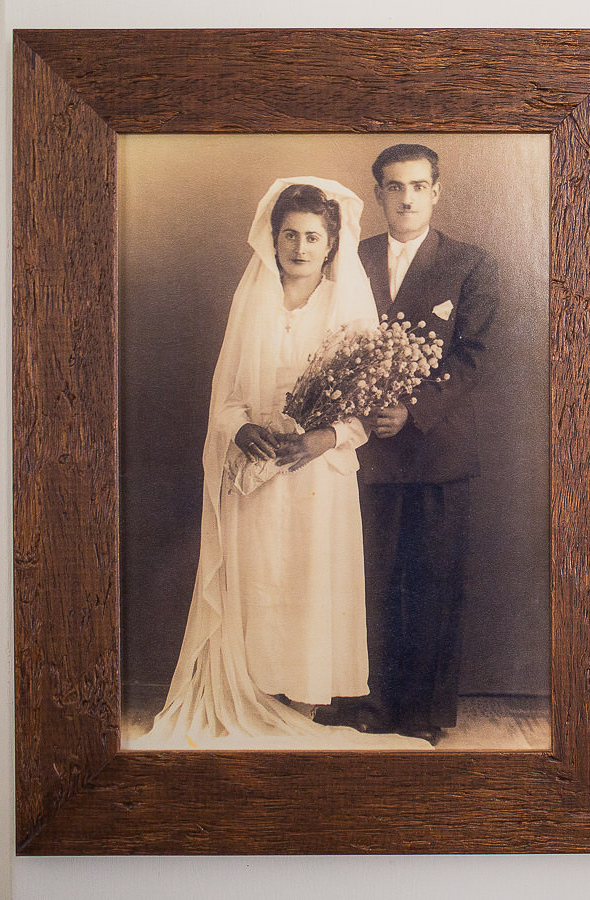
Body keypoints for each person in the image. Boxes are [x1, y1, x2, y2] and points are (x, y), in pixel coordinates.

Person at [135, 178, 382, 748]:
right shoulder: (254, 300)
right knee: (262, 582)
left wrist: (324, 438)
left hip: (317, 475)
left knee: (311, 582)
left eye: (312, 237)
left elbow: (368, 408)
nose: (300, 247)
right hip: (255, 471)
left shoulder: (348, 306)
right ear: (272, 240)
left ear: (331, 242)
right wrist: (242, 429)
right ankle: (255, 695)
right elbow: (227, 399)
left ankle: (306, 706)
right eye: (289, 235)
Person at [317, 144, 499, 745]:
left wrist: (413, 409)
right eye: (394, 187)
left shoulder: (471, 264)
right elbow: (331, 343)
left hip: (436, 453)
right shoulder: (352, 258)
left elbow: (473, 356)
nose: (406, 199)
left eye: (418, 186)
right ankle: (366, 701)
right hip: (363, 451)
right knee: (364, 577)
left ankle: (422, 712)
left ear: (436, 191)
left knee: (431, 581)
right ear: (377, 195)